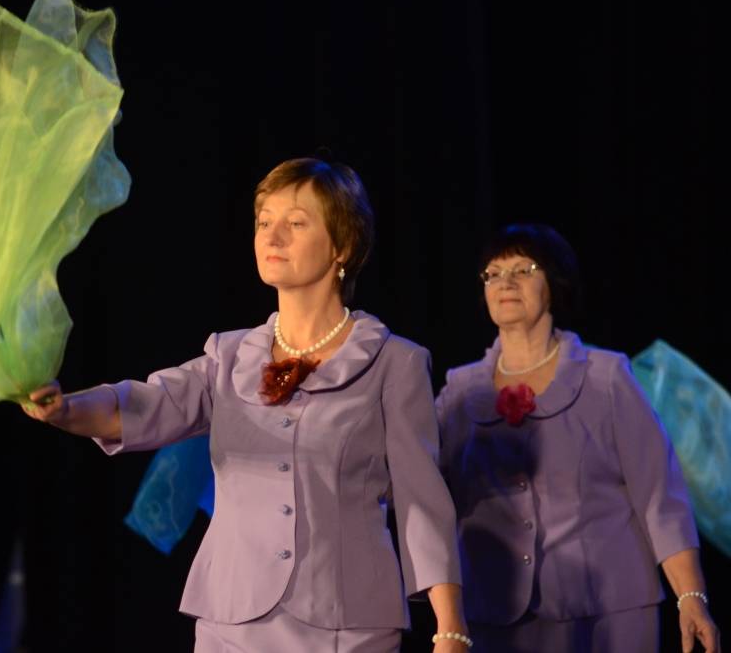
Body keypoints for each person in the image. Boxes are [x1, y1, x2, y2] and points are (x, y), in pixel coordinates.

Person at [23, 158, 470, 651]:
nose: (272, 237)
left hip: (347, 622)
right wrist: (64, 408)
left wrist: (449, 626)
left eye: (295, 223)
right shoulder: (230, 356)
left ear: (342, 245)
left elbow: (422, 501)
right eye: (263, 222)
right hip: (231, 619)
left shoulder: (394, 362)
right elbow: (144, 405)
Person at [436, 223, 721, 652]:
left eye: (523, 269)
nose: (505, 282)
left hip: (609, 614)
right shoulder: (460, 392)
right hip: (496, 618)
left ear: (554, 283)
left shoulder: (606, 377)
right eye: (493, 273)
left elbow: (658, 494)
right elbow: (424, 488)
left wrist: (691, 596)